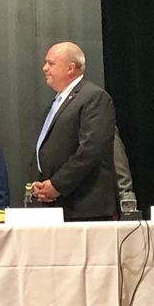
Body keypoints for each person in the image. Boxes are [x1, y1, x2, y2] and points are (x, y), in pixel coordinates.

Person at [31, 42, 116, 221]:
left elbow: (90, 150)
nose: (44, 68)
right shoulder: (56, 103)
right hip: (56, 205)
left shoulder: (93, 97)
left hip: (85, 207)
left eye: (51, 63)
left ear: (70, 68)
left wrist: (57, 185)